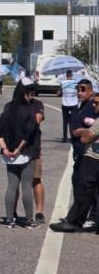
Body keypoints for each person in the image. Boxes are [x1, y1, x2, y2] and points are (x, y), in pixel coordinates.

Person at [50, 91, 99, 233]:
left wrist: (83, 131)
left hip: (92, 159)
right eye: (93, 102)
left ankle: (74, 221)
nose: (94, 105)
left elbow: (85, 138)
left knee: (84, 190)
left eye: (97, 103)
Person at [0, 82, 40, 228]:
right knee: (26, 185)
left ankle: (9, 219)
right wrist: (19, 149)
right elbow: (29, 132)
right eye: (30, 93)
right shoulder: (28, 109)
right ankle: (29, 220)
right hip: (25, 152)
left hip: (8, 153)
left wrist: (5, 148)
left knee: (12, 186)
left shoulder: (8, 108)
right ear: (25, 93)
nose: (31, 96)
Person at [22, 78, 47, 224]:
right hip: (16, 148)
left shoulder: (37, 104)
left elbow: (37, 119)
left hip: (33, 147)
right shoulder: (12, 106)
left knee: (36, 179)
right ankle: (12, 211)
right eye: (28, 90)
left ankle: (39, 211)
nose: (31, 93)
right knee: (16, 181)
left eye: (32, 90)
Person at [60, 70, 79, 143]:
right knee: (73, 122)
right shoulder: (76, 83)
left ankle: (65, 138)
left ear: (66, 75)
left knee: (65, 122)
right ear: (71, 75)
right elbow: (78, 92)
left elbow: (58, 93)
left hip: (65, 104)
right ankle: (73, 137)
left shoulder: (62, 83)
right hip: (74, 104)